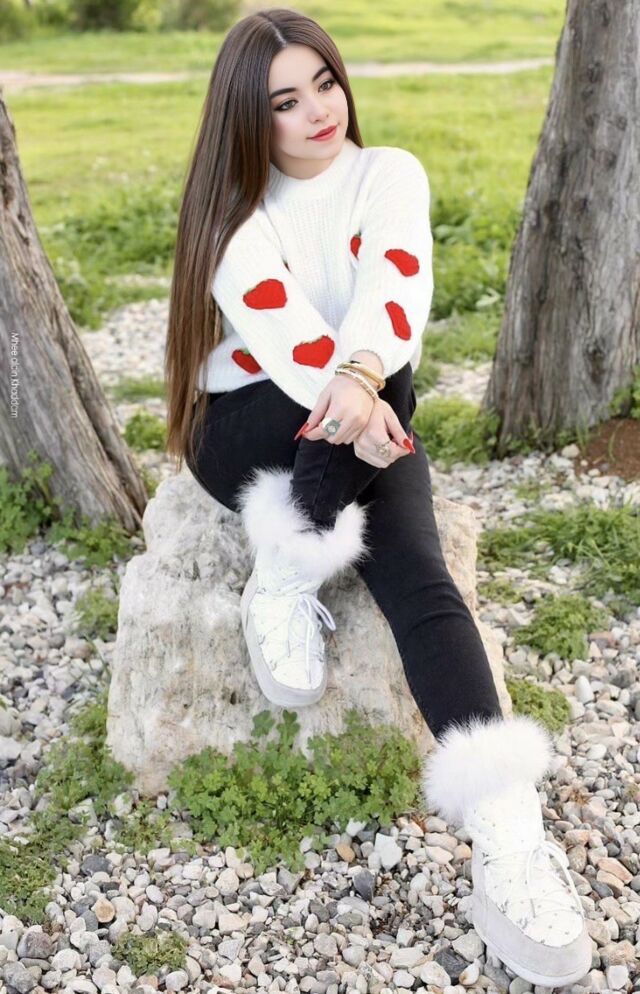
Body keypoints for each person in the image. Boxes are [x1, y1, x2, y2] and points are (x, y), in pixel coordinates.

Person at [163, 8, 592, 985]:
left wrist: (363, 381)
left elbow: (396, 292)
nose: (319, 109)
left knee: (419, 573)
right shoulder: (233, 215)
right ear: (249, 118)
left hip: (361, 413)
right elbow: (287, 343)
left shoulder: (388, 174)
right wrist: (362, 383)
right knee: (374, 375)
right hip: (246, 433)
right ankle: (286, 564)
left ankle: (510, 838)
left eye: (325, 82)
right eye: (285, 100)